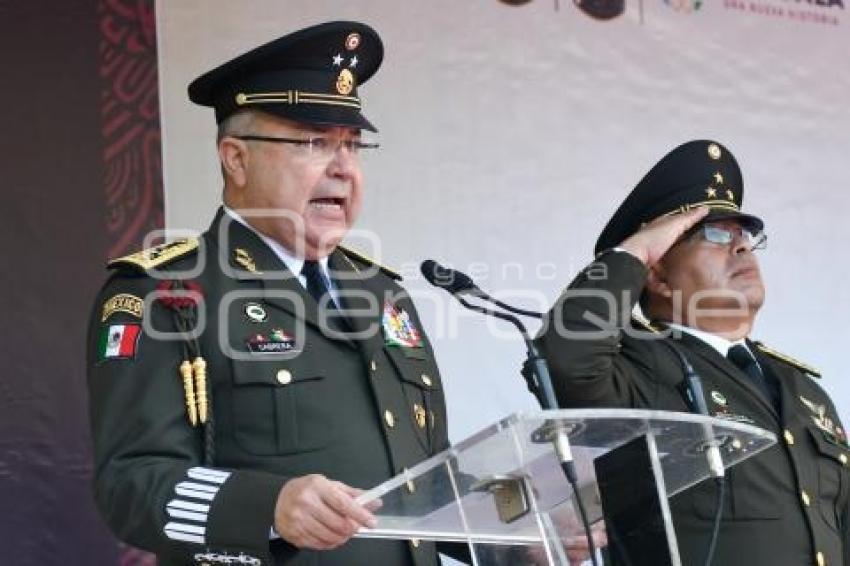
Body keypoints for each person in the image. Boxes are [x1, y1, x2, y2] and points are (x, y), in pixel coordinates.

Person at [87, 21, 457, 566]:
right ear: (235, 158)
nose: (342, 168)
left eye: (353, 146)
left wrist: (527, 534)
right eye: (314, 142)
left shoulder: (382, 294)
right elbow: (131, 486)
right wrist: (269, 507)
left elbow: (423, 480)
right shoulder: (165, 294)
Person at [532, 140, 849, 565]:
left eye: (744, 235)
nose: (741, 247)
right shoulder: (640, 369)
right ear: (658, 274)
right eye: (715, 234)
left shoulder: (802, 390)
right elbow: (565, 358)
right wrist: (636, 252)